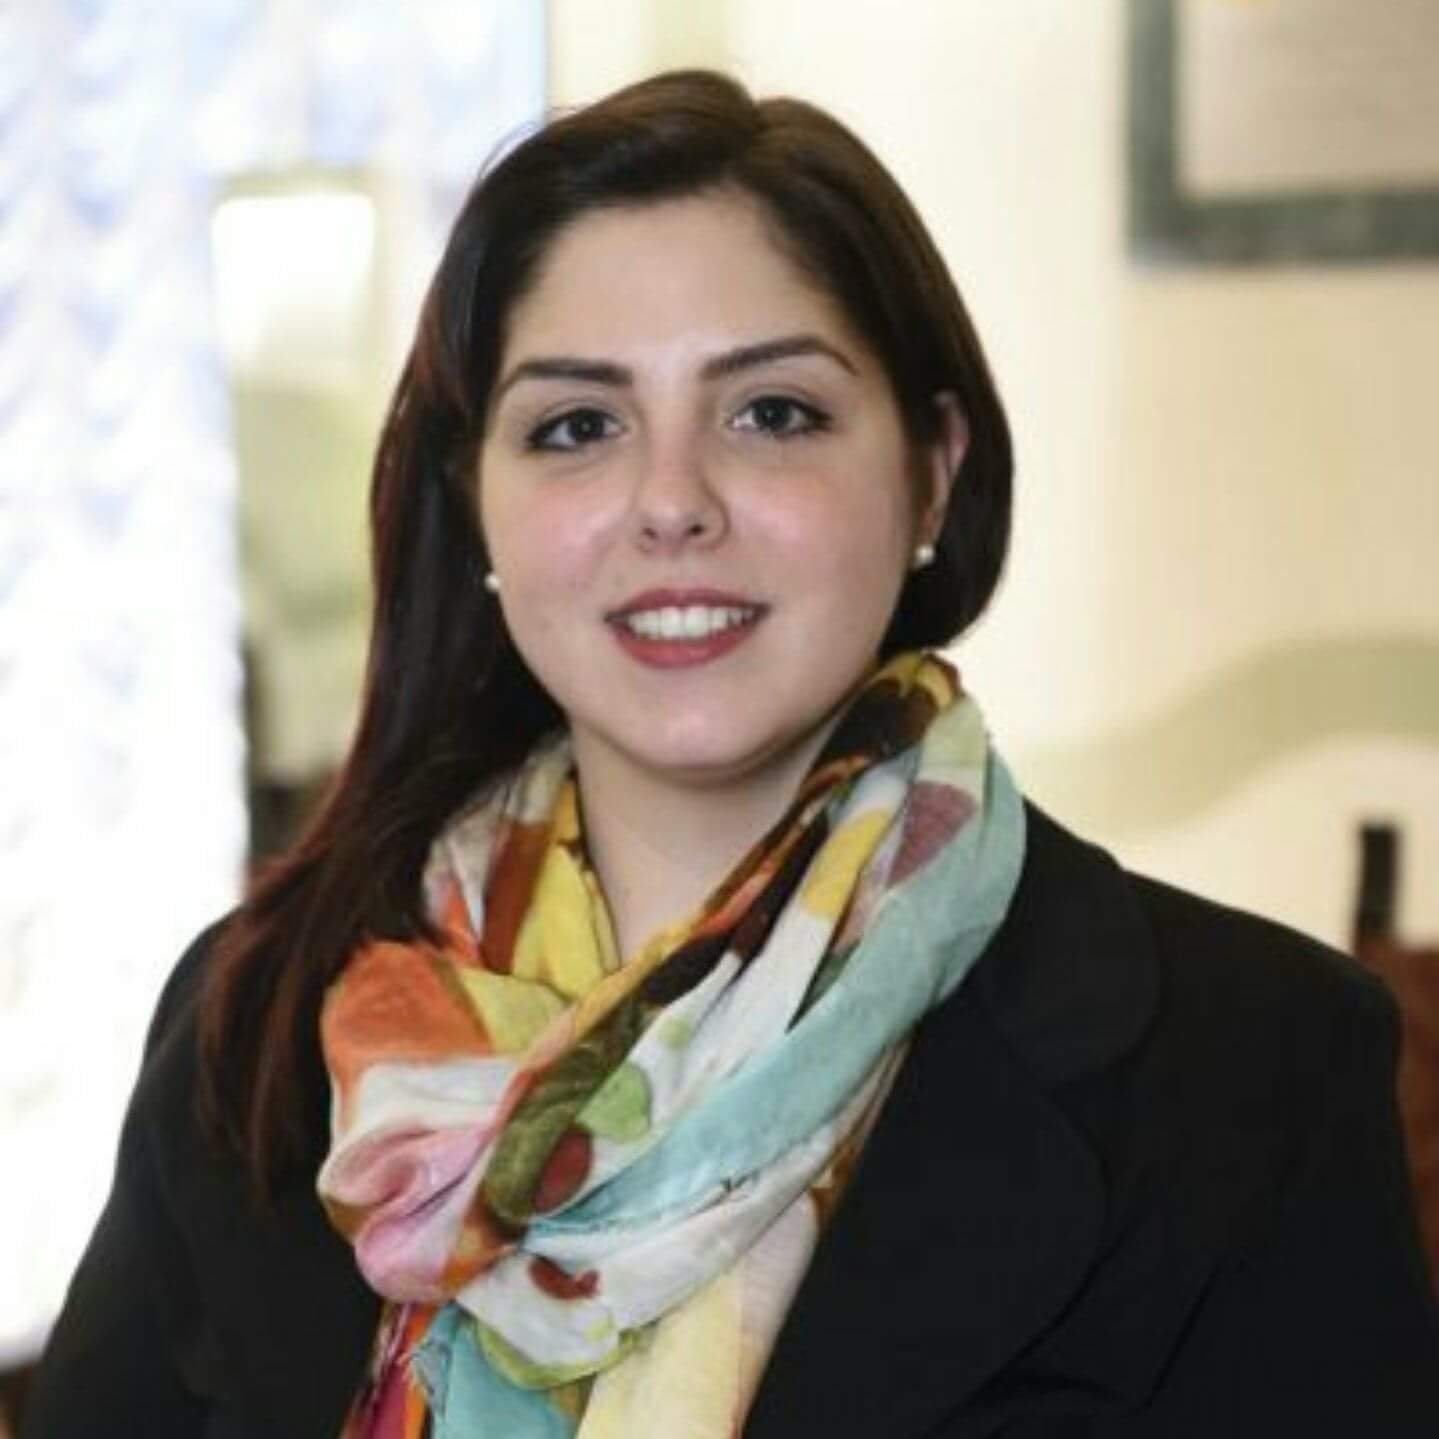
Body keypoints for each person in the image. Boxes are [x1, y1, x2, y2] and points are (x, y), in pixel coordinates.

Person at [24, 69, 1439, 1439]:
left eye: (773, 413)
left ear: (933, 470)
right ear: (478, 508)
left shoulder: (1257, 1074)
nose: (671, 501)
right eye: (578, 425)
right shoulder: (259, 1026)